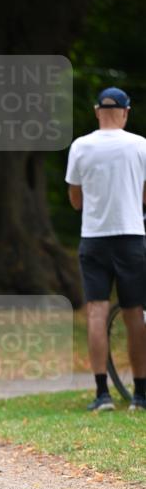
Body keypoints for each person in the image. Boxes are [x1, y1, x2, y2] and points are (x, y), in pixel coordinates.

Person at [65, 87, 146, 411]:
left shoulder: (81, 146)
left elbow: (74, 199)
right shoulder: (140, 145)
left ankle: (102, 394)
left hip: (95, 236)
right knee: (134, 314)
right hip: (131, 236)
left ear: (98, 111)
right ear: (126, 112)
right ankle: (140, 394)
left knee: (97, 313)